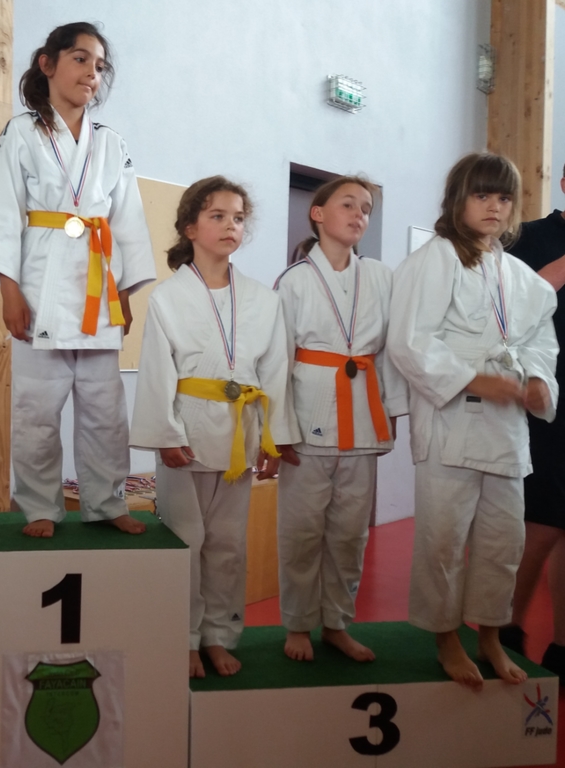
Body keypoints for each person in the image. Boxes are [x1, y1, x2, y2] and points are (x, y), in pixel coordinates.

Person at [0, 22, 156, 538]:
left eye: (99, 65)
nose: (92, 73)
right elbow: (3, 212)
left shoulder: (111, 143)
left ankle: (107, 502)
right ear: (47, 64)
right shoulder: (21, 133)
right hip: (40, 289)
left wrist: (124, 292)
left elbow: (129, 223)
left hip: (98, 287)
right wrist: (8, 289)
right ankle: (39, 508)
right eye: (80, 59)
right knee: (36, 410)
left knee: (105, 410)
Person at [388, 153, 558, 689]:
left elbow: (541, 343)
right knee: (443, 540)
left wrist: (538, 382)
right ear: (458, 200)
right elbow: (409, 340)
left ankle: (490, 636)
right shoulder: (433, 261)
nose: (494, 207)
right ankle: (445, 638)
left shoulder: (523, 278)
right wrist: (472, 379)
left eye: (504, 198)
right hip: (453, 420)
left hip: (506, 427)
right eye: (482, 195)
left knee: (503, 541)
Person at [130, 176, 298, 677]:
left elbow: (275, 371)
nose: (231, 226)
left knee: (228, 545)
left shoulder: (263, 299)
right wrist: (165, 434)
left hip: (241, 433)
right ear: (190, 228)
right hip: (187, 431)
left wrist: (275, 437)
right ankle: (182, 637)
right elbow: (157, 370)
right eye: (217, 216)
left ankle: (219, 636)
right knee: (185, 540)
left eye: (239, 218)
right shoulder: (168, 297)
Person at [274, 176, 408, 663]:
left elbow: (392, 350)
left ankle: (336, 623)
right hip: (308, 414)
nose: (359, 215)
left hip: (364, 414)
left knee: (351, 533)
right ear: (318, 214)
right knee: (301, 531)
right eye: (348, 205)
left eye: (366, 208)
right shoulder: (293, 280)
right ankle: (297, 624)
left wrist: (392, 410)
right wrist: (278, 430)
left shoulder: (381, 276)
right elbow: (277, 360)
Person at [500, 165, 565, 680]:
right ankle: (506, 630)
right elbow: (511, 311)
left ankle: (562, 648)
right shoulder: (527, 238)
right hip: (545, 401)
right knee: (539, 526)